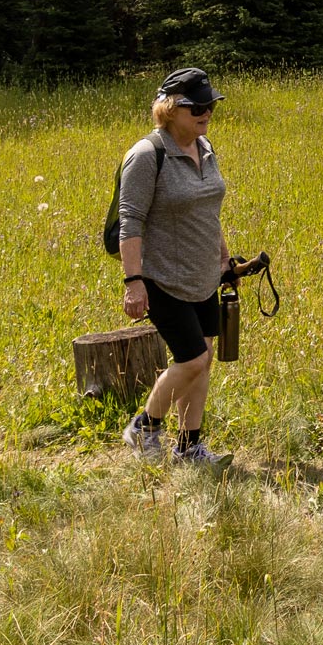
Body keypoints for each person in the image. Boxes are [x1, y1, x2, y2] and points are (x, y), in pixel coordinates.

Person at [117, 68, 251, 471]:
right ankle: (144, 426)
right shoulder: (146, 154)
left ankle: (189, 448)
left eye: (210, 105)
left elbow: (209, 213)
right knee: (192, 359)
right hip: (161, 278)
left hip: (202, 276)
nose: (206, 112)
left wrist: (225, 260)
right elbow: (130, 220)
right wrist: (133, 281)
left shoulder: (205, 147)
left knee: (205, 358)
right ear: (170, 109)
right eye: (196, 106)